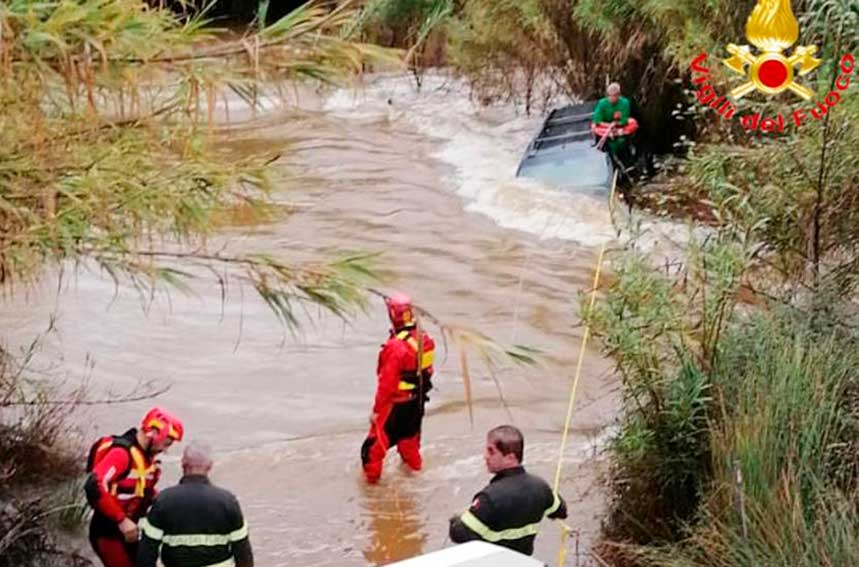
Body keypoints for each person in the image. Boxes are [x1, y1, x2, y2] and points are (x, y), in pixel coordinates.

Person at [84, 407, 184, 567]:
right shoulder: (121, 454)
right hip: (108, 531)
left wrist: (166, 504)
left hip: (130, 530)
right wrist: (122, 521)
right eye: (166, 444)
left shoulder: (146, 458)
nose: (165, 450)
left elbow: (142, 491)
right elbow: (94, 484)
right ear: (153, 433)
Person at [448, 425, 568, 556]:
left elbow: (458, 534)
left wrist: (455, 520)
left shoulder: (489, 498)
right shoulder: (541, 487)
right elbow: (561, 511)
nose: (485, 456)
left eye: (491, 451)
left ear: (510, 458)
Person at [138, 440, 254, 567]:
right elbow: (243, 554)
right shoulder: (228, 501)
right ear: (209, 466)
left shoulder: (163, 501)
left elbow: (146, 554)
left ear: (183, 464)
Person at [361, 292, 436, 484]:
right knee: (409, 445)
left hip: (395, 405)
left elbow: (386, 385)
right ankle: (417, 481)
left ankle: (371, 492)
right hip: (416, 404)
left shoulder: (395, 347)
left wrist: (376, 412)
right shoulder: (424, 340)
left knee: (371, 451)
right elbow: (428, 371)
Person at [592, 82, 639, 166]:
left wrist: (617, 124)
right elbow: (597, 120)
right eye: (610, 96)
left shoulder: (625, 103)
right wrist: (608, 126)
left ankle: (619, 134)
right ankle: (612, 135)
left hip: (620, 127)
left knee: (633, 123)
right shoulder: (602, 103)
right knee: (594, 127)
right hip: (605, 128)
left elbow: (625, 119)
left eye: (614, 96)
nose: (612, 98)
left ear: (618, 95)